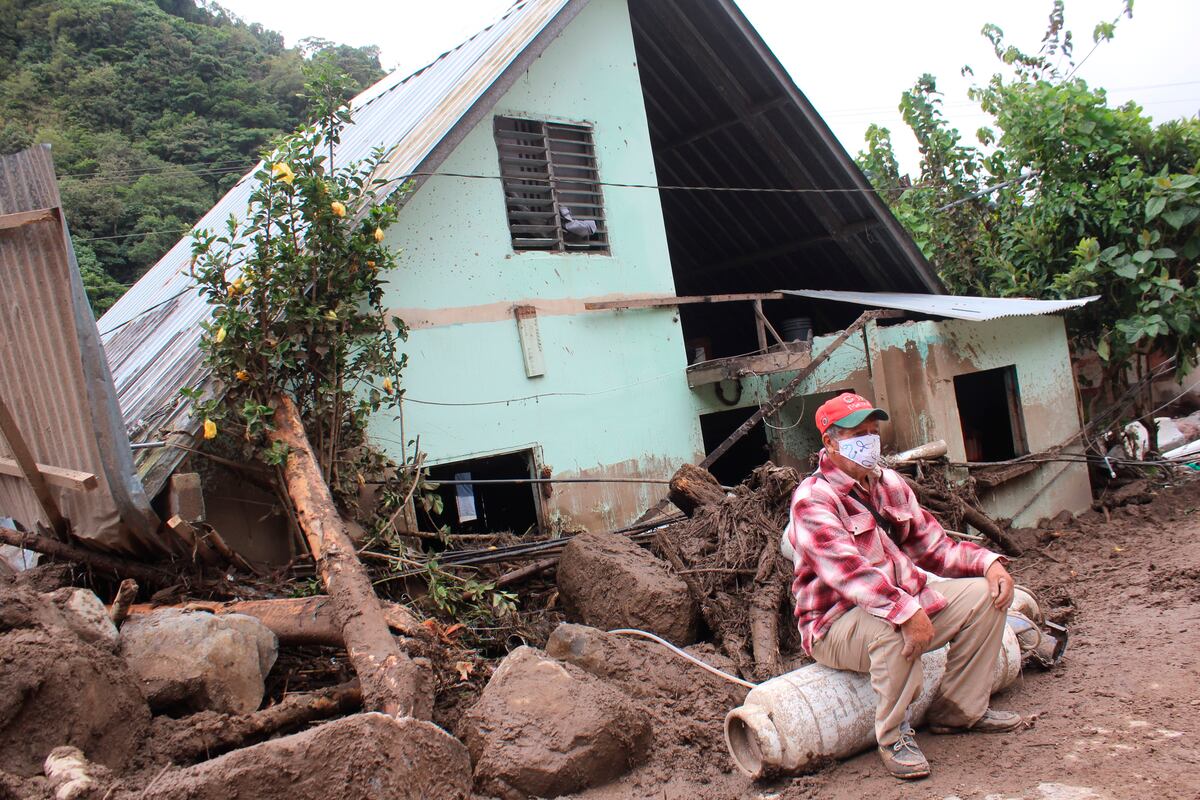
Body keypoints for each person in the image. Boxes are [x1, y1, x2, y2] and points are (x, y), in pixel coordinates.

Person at [781, 391, 1020, 780]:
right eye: (859, 433)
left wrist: (988, 564)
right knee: (895, 627)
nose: (870, 441)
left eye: (873, 432)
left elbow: (933, 546)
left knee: (984, 597)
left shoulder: (887, 483)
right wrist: (907, 611)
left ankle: (959, 711)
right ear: (830, 442)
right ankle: (894, 735)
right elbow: (851, 574)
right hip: (834, 624)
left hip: (896, 602)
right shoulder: (813, 500)